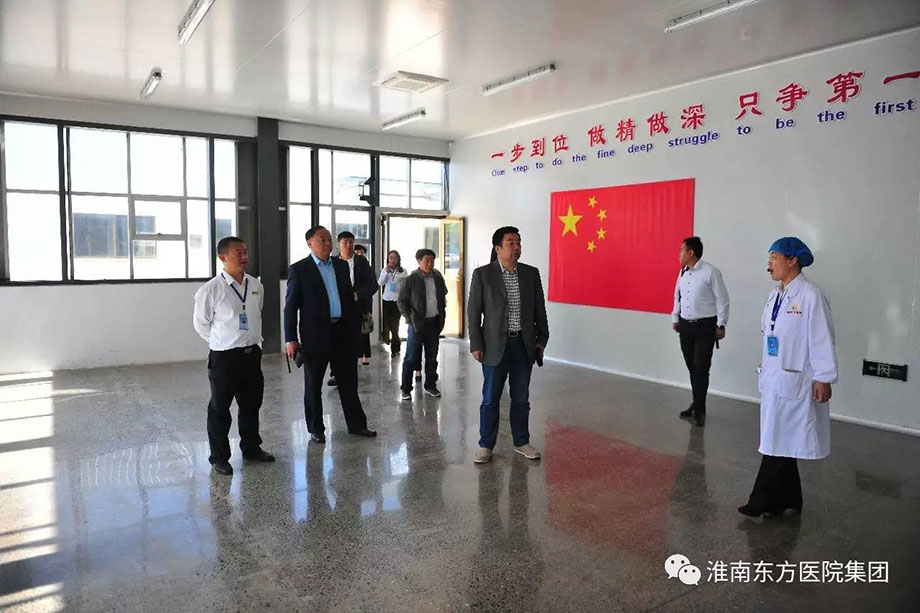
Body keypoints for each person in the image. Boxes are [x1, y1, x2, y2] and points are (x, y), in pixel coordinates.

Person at [739, 237, 837, 517]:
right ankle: (790, 498)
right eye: (769, 257)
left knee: (777, 439)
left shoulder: (811, 296)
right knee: (781, 437)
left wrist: (824, 377)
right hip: (775, 377)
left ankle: (760, 499)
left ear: (792, 260)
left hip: (797, 380)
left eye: (774, 257)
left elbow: (822, 338)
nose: (768, 263)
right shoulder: (775, 295)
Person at [284, 226, 377, 444]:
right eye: (322, 240)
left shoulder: (340, 265)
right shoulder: (299, 269)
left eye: (329, 239)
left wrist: (353, 325)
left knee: (348, 382)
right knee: (313, 384)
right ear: (309, 243)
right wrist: (291, 339)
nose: (328, 244)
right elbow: (290, 307)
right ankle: (316, 428)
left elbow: (348, 297)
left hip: (343, 332)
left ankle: (357, 425)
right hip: (315, 335)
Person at [193, 237, 274, 475]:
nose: (244, 256)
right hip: (225, 357)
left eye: (245, 252)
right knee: (220, 408)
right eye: (238, 252)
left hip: (251, 354)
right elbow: (201, 324)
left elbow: (257, 312)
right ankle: (219, 457)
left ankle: (251, 448)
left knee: (251, 405)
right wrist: (222, 342)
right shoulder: (211, 290)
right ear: (223, 257)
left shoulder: (255, 285)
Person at [468, 226, 549, 464]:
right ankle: (485, 445)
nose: (516, 247)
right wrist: (476, 343)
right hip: (493, 346)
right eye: (511, 243)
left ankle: (522, 441)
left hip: (523, 345)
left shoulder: (530, 273)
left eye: (518, 243)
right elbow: (473, 312)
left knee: (521, 398)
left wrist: (542, 339)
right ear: (498, 248)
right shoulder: (483, 274)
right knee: (490, 398)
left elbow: (540, 309)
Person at [671, 236, 730, 427]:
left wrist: (721, 324)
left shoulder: (711, 272)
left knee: (701, 368)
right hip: (685, 326)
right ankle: (696, 402)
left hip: (705, 326)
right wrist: (675, 317)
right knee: (692, 366)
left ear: (691, 253)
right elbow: (677, 295)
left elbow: (722, 299)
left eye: (682, 250)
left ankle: (700, 409)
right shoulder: (683, 272)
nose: (679, 254)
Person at [398, 248, 448, 400]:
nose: (430, 263)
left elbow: (443, 295)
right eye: (426, 260)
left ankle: (430, 385)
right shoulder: (411, 279)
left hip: (434, 323)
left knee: (432, 357)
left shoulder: (438, 278)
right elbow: (401, 301)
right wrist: (409, 318)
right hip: (417, 324)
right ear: (419, 261)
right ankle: (406, 388)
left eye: (432, 260)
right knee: (411, 357)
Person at [378, 250, 408, 355]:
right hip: (387, 300)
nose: (392, 259)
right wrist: (386, 272)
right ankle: (395, 343)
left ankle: (395, 347)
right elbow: (380, 283)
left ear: (398, 259)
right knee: (388, 323)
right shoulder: (385, 270)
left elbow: (406, 285)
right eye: (390, 257)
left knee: (394, 324)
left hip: (398, 300)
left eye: (394, 257)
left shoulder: (403, 271)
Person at [353, 243, 376, 365]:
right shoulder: (348, 266)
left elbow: (374, 286)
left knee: (364, 330)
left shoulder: (368, 268)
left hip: (365, 304)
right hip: (351, 305)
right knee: (354, 332)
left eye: (361, 252)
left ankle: (365, 355)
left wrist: (361, 294)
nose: (359, 254)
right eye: (357, 252)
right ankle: (356, 355)